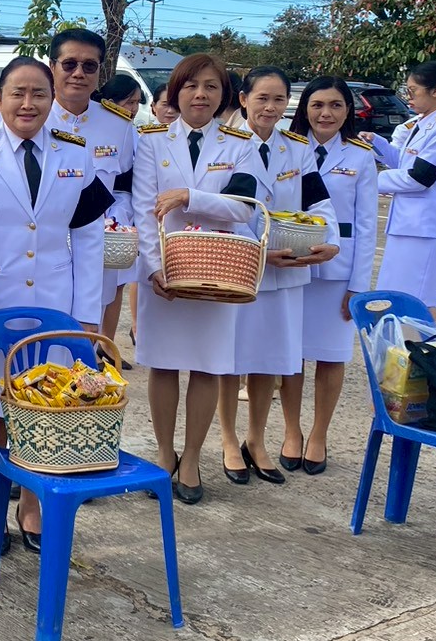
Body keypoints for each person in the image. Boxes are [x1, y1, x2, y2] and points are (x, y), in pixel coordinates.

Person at [0, 56, 113, 553]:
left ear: (53, 99)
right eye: (17, 93)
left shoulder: (75, 152)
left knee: (45, 406)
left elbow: (90, 237)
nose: (28, 103)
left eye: (39, 93)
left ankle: (31, 505)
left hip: (55, 302)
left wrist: (88, 314)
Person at [132, 53, 259, 505]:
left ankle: (191, 458)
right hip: (165, 272)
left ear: (224, 95)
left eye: (210, 86)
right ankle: (164, 453)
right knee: (163, 364)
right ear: (175, 92)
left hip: (217, 274)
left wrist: (191, 196)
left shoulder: (241, 143)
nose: (200, 95)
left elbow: (244, 208)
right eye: (190, 86)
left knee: (207, 365)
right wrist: (153, 267)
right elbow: (143, 208)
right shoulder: (151, 141)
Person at [216, 67, 338, 486]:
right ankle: (228, 440)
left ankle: (256, 439)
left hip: (288, 270)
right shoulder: (225, 144)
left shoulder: (296, 148)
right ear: (244, 99)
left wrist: (329, 240)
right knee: (231, 360)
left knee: (268, 359)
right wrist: (258, 251)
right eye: (262, 98)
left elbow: (318, 202)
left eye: (279, 99)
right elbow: (224, 210)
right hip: (242, 268)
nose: (270, 107)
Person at [278, 77, 378, 475]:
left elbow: (367, 226)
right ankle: (291, 431)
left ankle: (319, 434)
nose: (325, 113)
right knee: (291, 355)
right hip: (292, 263)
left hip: (338, 271)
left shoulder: (360, 156)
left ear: (348, 110)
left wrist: (358, 286)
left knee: (332, 355)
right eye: (317, 105)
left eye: (335, 105)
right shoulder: (287, 147)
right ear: (304, 109)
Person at [48, 29, 137, 369]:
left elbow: (124, 186)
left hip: (96, 254)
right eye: (69, 64)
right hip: (44, 252)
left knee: (82, 355)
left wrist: (117, 221)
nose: (78, 73)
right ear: (52, 66)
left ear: (100, 71)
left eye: (89, 66)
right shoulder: (31, 116)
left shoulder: (118, 125)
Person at [367, 62, 436, 320]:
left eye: (413, 91)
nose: (408, 97)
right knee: (396, 299)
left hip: (424, 228)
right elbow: (404, 163)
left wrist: (370, 181)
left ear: (435, 91)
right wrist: (376, 143)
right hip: (407, 224)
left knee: (419, 304)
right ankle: (414, 345)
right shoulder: (422, 124)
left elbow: (419, 178)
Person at [99, 73, 145, 351]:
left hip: (119, 221)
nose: (133, 109)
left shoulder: (132, 132)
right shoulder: (99, 127)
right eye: (129, 102)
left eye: (137, 102)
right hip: (90, 220)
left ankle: (107, 345)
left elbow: (128, 183)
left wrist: (121, 216)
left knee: (117, 284)